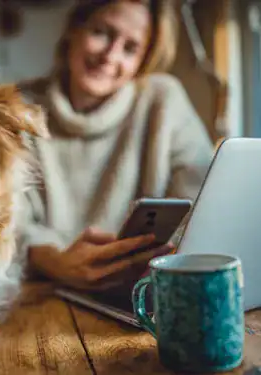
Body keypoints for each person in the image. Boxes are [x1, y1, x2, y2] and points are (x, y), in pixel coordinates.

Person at [17, 0, 215, 292]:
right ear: (75, 28)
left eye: (130, 48)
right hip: (46, 292)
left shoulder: (163, 100)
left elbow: (202, 204)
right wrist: (55, 260)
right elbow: (5, 222)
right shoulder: (20, 109)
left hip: (142, 290)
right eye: (102, 32)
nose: (110, 55)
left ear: (142, 61)